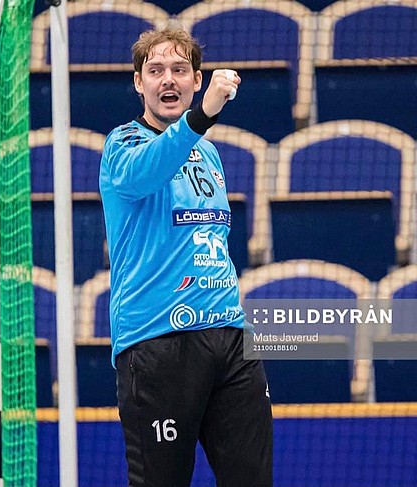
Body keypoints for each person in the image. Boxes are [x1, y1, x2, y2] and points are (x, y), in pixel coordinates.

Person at [99, 27, 273, 487]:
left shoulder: (209, 153)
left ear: (196, 79)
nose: (167, 80)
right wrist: (203, 115)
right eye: (155, 70)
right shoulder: (122, 145)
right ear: (139, 83)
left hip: (230, 337)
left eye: (179, 70)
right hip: (157, 342)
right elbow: (145, 173)